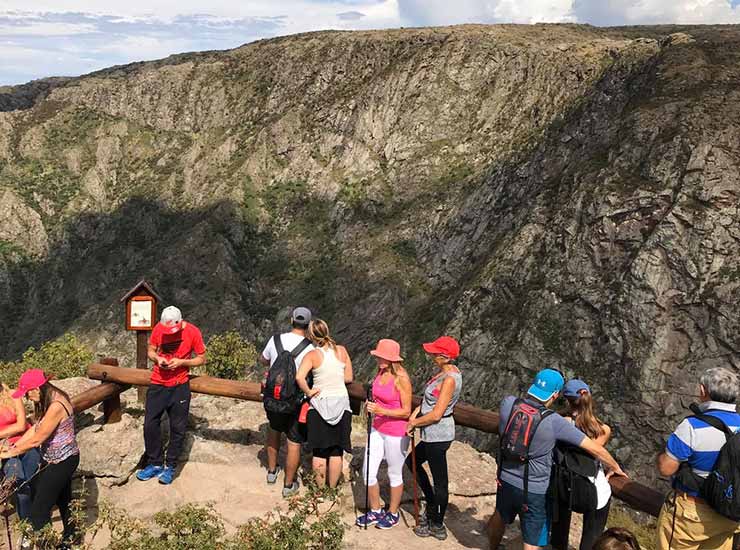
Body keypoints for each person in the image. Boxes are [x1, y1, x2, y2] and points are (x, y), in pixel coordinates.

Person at [488, 369, 626, 550]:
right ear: (554, 395)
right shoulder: (554, 422)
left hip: (505, 477)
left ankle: (492, 547)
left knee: (500, 515)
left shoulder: (508, 403)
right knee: (532, 538)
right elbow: (595, 448)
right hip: (534, 487)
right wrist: (615, 466)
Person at [656, 367, 740, 550]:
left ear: (703, 391)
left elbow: (666, 468)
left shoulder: (692, 426)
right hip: (728, 515)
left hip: (693, 514)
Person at [0, 370, 80, 549]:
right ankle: (71, 538)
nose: (27, 398)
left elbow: (38, 439)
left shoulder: (56, 405)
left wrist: (9, 453)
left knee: (39, 510)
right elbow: (36, 428)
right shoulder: (49, 399)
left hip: (62, 461)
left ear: (37, 388)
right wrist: (15, 446)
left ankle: (44, 544)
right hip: (57, 458)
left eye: (28, 392)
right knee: (63, 500)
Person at [137, 305, 206, 485]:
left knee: (178, 428)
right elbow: (151, 349)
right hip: (158, 382)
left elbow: (201, 358)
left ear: (181, 321)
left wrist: (182, 362)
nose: (169, 332)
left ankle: (171, 467)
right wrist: (157, 359)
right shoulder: (159, 329)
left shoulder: (192, 332)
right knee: (150, 424)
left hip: (180, 385)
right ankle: (155, 463)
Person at [405, 336, 462, 541]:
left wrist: (413, 423)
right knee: (412, 462)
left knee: (440, 481)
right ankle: (431, 502)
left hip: (438, 434)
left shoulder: (449, 379)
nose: (431, 355)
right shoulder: (446, 373)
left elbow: (437, 413)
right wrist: (415, 414)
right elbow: (429, 403)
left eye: (434, 353)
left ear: (444, 356)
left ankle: (436, 523)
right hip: (432, 433)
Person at [355, 339, 412, 530]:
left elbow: (406, 411)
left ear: (392, 359)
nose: (379, 359)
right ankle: (375, 510)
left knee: (394, 473)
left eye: (382, 357)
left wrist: (381, 410)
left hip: (396, 432)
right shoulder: (381, 372)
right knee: (368, 471)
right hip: (377, 428)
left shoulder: (402, 378)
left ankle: (393, 513)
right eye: (378, 356)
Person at [550, 379, 613, 550]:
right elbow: (595, 451)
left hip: (562, 486)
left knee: (558, 537)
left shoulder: (558, 421)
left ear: (567, 399)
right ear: (588, 396)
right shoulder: (602, 430)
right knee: (591, 540)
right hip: (591, 493)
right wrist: (615, 467)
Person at [259, 306, 315, 498]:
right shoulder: (310, 347)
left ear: (291, 321)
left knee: (273, 432)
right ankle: (288, 484)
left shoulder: (275, 340)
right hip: (295, 402)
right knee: (293, 442)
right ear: (308, 325)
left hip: (274, 398)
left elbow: (263, 360)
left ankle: (272, 472)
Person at [295, 319, 353, 489]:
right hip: (341, 403)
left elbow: (299, 377)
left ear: (311, 336)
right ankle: (332, 488)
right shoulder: (342, 351)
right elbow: (349, 377)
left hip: (320, 404)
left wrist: (309, 391)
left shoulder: (312, 355)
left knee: (319, 451)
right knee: (336, 450)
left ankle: (320, 492)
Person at [0, 382, 40, 523]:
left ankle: (38, 525)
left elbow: (21, 424)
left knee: (33, 484)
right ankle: (27, 527)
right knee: (20, 485)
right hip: (6, 451)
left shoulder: (12, 394)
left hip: (26, 443)